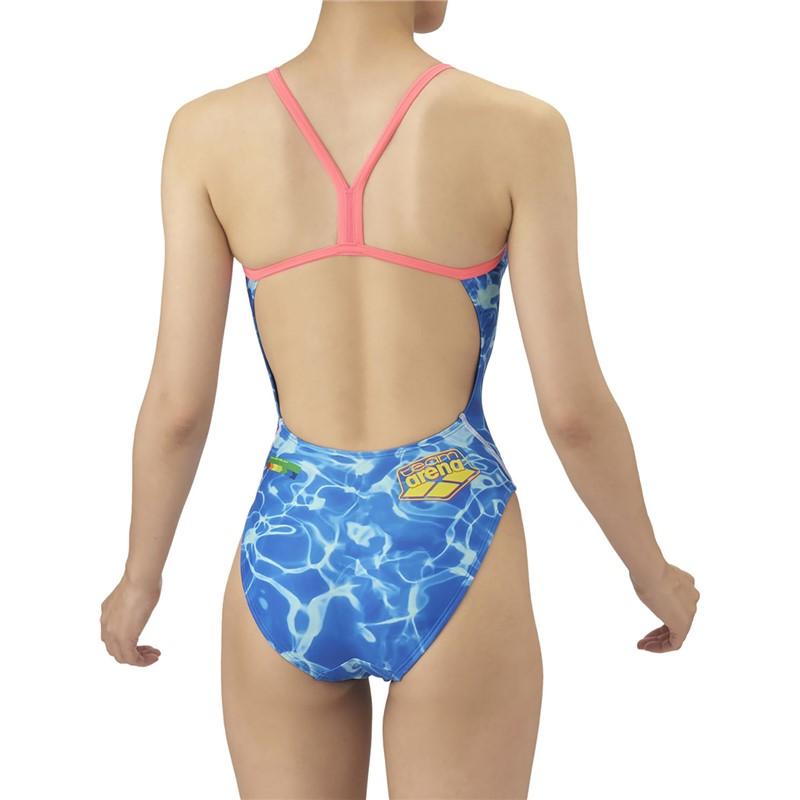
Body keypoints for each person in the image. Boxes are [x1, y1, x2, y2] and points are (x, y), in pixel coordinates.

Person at [100, 1, 700, 797]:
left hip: (289, 544)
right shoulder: (521, 129)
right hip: (453, 533)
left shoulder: (205, 132)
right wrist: (652, 573)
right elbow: (573, 412)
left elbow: (178, 406)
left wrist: (140, 578)